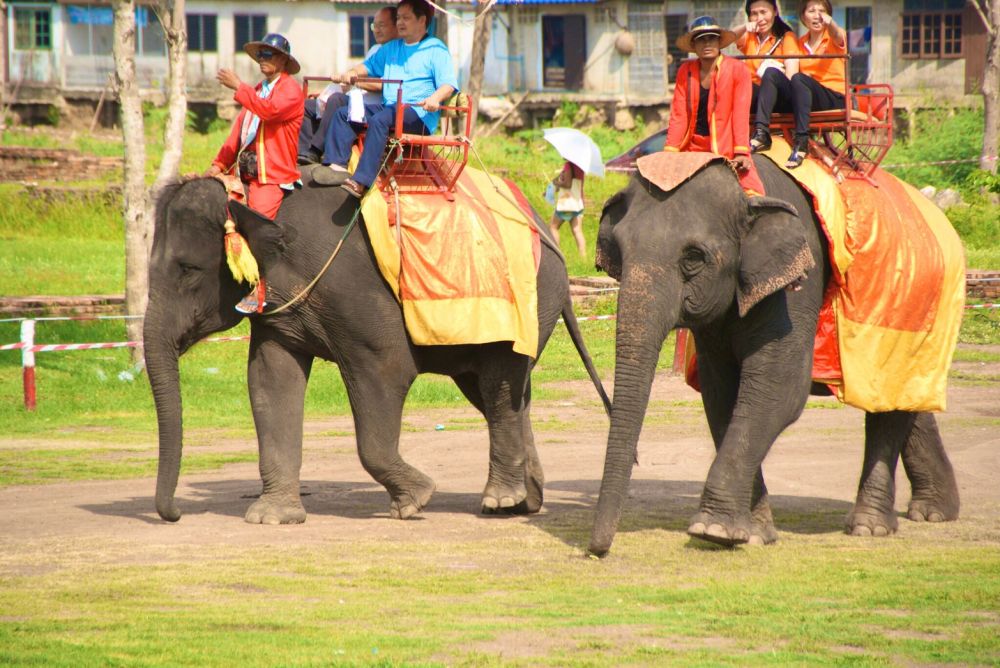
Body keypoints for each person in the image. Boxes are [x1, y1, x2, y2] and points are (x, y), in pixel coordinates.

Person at [313, 0, 459, 198]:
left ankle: (361, 181)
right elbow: (367, 67)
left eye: (406, 18)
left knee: (380, 119)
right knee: (342, 113)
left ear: (422, 20)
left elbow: (448, 84)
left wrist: (435, 98)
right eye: (398, 18)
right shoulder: (391, 48)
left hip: (418, 113)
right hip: (391, 108)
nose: (400, 22)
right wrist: (351, 73)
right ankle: (336, 165)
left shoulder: (436, 49)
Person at [205, 33, 304, 313]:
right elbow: (238, 135)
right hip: (246, 172)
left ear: (283, 60)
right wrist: (218, 165)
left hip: (271, 176)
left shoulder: (289, 90)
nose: (263, 59)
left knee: (257, 226)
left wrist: (239, 87)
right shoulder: (259, 90)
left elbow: (270, 112)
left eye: (269, 54)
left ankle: (263, 289)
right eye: (260, 55)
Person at [666, 16, 765, 197]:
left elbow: (740, 114)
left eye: (711, 38)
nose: (707, 43)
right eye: (701, 40)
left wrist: (741, 151)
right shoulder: (685, 71)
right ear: (693, 46)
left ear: (720, 42)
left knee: (752, 193)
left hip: (725, 146)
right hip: (692, 146)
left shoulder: (738, 70)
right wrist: (671, 150)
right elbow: (679, 115)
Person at [297, 7, 398, 166]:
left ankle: (316, 150)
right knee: (306, 106)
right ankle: (302, 152)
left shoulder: (396, 51)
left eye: (382, 25)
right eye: (374, 26)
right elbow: (358, 71)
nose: (376, 30)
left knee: (336, 100)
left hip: (374, 104)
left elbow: (384, 84)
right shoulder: (375, 50)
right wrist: (345, 77)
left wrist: (354, 81)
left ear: (396, 26)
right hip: (358, 96)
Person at [733, 1, 805, 164]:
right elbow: (726, 38)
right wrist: (745, 27)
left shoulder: (787, 38)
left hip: (779, 95)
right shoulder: (750, 38)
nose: (760, 18)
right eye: (754, 13)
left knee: (771, 73)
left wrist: (774, 72)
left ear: (775, 12)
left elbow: (792, 77)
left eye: (763, 12)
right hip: (754, 95)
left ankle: (761, 132)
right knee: (735, 80)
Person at [785, 0, 848, 167]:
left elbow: (838, 36)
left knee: (799, 79)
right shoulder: (800, 43)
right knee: (795, 80)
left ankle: (802, 140)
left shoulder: (834, 38)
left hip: (834, 96)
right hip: (811, 98)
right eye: (812, 11)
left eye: (822, 11)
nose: (817, 15)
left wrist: (831, 24)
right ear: (803, 17)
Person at [549, 161, 587, 257]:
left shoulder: (568, 165)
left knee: (553, 227)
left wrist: (556, 183)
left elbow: (567, 184)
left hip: (566, 203)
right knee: (577, 230)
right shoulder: (580, 166)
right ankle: (583, 258)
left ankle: (556, 255)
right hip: (578, 202)